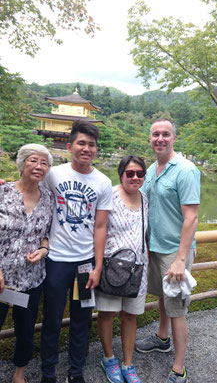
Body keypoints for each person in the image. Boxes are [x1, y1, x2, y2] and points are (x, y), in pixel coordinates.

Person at [40, 120, 113, 383]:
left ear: (96, 149)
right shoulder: (53, 174)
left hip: (85, 263)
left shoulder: (103, 182)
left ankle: (76, 372)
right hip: (56, 261)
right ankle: (48, 372)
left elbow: (101, 226)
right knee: (52, 318)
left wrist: (98, 266)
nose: (86, 148)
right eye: (81, 143)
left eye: (91, 145)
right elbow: (29, 191)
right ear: (70, 145)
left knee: (82, 319)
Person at [135, 118, 200, 383]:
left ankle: (179, 367)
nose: (159, 138)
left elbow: (192, 217)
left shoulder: (185, 170)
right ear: (149, 139)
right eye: (155, 134)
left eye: (165, 134)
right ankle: (162, 338)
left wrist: (181, 259)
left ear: (174, 137)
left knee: (177, 308)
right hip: (155, 247)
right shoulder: (151, 169)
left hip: (176, 251)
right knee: (164, 297)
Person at [0, 143, 54, 383]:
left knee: (25, 331)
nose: (39, 166)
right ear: (22, 164)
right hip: (2, 279)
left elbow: (46, 233)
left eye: (44, 163)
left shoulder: (49, 198)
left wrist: (43, 250)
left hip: (32, 279)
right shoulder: (3, 192)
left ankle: (19, 372)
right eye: (33, 160)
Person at [96, 155, 149, 383]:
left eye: (139, 173)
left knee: (130, 316)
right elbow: (97, 228)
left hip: (138, 270)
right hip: (112, 267)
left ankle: (128, 363)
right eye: (130, 173)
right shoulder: (110, 195)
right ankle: (109, 359)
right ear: (121, 174)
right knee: (107, 314)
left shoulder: (145, 198)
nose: (135, 177)